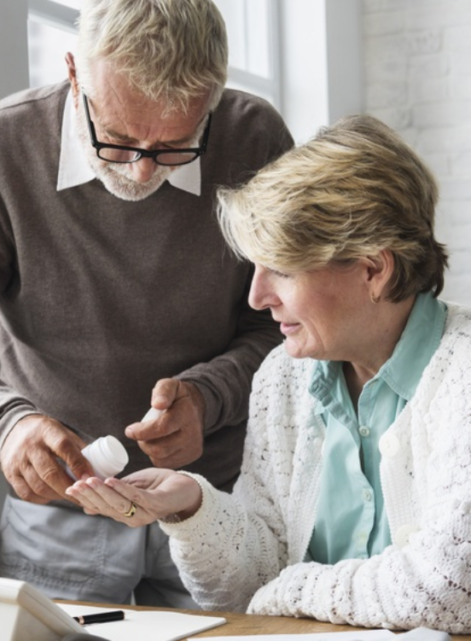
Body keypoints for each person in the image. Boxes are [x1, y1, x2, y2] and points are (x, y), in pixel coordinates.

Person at [0, 0, 293, 607]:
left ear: (213, 101)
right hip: (58, 514)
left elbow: (282, 325)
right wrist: (5, 426)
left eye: (175, 146)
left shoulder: (255, 140)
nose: (141, 170)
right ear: (75, 74)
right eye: (118, 139)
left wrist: (207, 397)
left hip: (219, 501)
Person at [67, 114, 471, 632]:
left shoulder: (460, 373)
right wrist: (192, 507)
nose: (258, 296)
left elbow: (449, 589)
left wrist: (293, 587)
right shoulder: (283, 377)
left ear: (373, 268)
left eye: (281, 268)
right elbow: (249, 582)